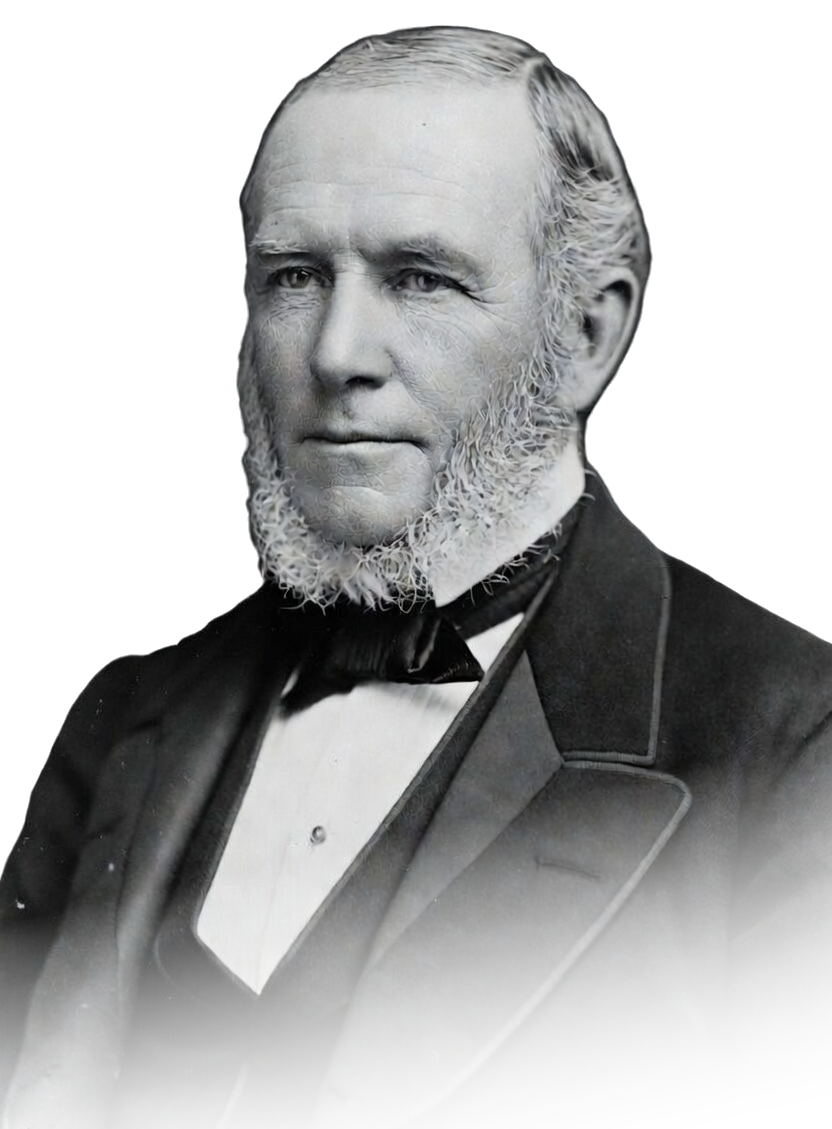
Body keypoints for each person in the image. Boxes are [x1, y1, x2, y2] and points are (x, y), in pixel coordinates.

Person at [2, 26, 830, 1129]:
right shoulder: (123, 712)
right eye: (295, 277)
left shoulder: (789, 735)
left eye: (420, 279)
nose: (336, 352)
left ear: (588, 335)